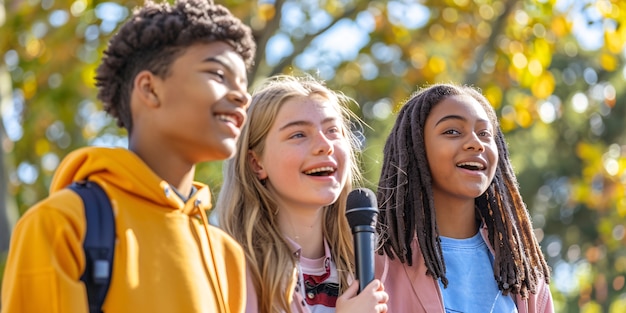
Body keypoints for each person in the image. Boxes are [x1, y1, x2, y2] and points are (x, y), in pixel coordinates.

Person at [1, 0, 255, 312]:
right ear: (149, 89)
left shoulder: (227, 256)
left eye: (244, 85)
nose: (242, 96)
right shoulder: (61, 224)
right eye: (218, 74)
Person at [215, 75, 388, 313]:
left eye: (332, 130)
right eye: (298, 134)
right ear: (256, 163)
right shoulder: (225, 269)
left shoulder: (379, 266)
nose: (324, 144)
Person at [375, 83, 554, 313]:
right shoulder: (380, 264)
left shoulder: (522, 272)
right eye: (452, 131)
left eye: (484, 134)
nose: (476, 143)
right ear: (415, 148)